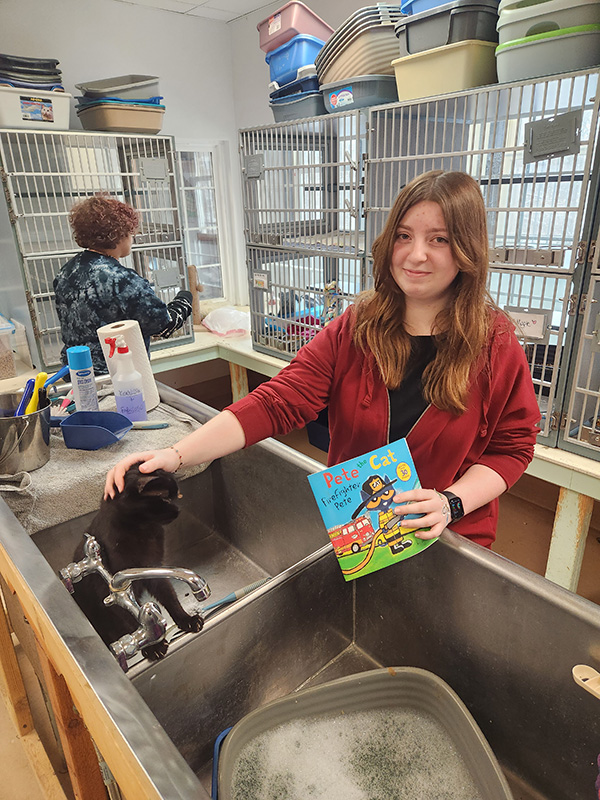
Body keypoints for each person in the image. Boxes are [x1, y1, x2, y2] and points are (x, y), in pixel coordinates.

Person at [105, 171, 540, 549]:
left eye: (439, 240)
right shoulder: (358, 327)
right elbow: (277, 401)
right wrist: (177, 455)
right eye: (404, 235)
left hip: (449, 538)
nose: (416, 254)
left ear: (467, 250)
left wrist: (452, 502)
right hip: (360, 531)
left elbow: (512, 447)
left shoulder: (494, 344)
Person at [53, 194, 193, 374]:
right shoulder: (121, 279)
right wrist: (184, 299)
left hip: (74, 372)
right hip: (114, 376)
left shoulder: (66, 271)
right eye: (131, 233)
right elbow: (162, 326)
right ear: (118, 235)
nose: (133, 238)